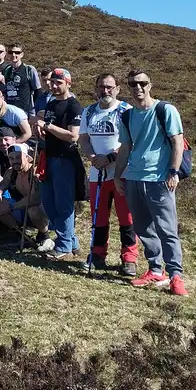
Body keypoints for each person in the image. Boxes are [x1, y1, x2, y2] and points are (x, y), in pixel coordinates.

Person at [114, 70, 188, 296]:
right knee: (143, 228)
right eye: (132, 84)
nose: (137, 87)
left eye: (142, 83)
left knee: (167, 228)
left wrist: (173, 172)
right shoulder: (127, 115)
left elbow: (177, 142)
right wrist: (118, 175)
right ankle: (156, 270)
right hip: (134, 178)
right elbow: (125, 148)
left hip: (159, 179)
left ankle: (175, 276)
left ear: (150, 85)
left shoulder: (165, 110)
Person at [80, 73, 138, 276]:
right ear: (96, 88)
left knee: (126, 217)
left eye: (109, 87)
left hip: (123, 173)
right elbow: (84, 139)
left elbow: (130, 141)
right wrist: (92, 157)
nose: (105, 91)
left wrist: (111, 157)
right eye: (101, 87)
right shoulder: (88, 111)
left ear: (117, 89)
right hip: (97, 174)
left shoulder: (126, 110)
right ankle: (97, 255)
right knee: (99, 217)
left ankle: (129, 258)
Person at [34, 68, 84, 260]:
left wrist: (47, 126)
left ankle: (64, 246)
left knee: (63, 204)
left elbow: (73, 135)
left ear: (68, 83)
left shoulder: (74, 106)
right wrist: (40, 130)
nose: (54, 86)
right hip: (49, 157)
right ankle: (72, 242)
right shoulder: (51, 104)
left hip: (65, 159)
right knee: (48, 202)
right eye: (52, 82)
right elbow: (50, 132)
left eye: (58, 83)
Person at [0, 144, 49, 242]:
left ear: (27, 157)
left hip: (43, 211)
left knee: (33, 210)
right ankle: (19, 232)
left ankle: (44, 235)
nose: (15, 161)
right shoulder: (11, 172)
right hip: (22, 209)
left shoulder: (35, 172)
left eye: (18, 157)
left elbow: (37, 198)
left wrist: (11, 207)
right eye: (11, 158)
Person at [1, 43, 42, 117]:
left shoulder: (29, 69)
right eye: (10, 52)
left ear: (22, 54)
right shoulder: (6, 70)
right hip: (10, 110)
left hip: (25, 112)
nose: (13, 55)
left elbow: (38, 91)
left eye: (17, 52)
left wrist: (36, 111)